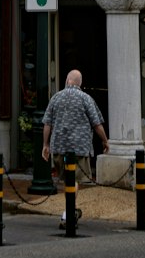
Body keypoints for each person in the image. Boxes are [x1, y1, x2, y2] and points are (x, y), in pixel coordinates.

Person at [41, 69, 110, 227]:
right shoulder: (86, 98)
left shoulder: (56, 97)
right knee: (74, 181)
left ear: (67, 80)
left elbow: (47, 123)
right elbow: (96, 123)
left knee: (66, 181)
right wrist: (105, 141)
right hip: (79, 147)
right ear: (80, 83)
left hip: (58, 145)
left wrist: (45, 144)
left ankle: (69, 213)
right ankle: (68, 215)